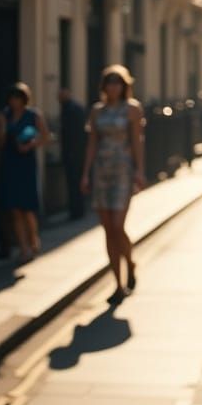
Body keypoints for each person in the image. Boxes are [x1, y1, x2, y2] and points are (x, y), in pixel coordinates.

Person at [80, 65, 146, 306]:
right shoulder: (97, 111)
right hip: (101, 172)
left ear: (125, 85)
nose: (114, 86)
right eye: (110, 82)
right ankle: (118, 284)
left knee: (118, 226)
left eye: (118, 82)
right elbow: (91, 144)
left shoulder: (132, 109)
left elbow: (138, 141)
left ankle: (129, 262)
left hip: (123, 171)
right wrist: (86, 174)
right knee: (108, 229)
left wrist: (139, 171)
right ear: (104, 86)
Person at [0, 82, 50, 264]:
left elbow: (45, 136)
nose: (14, 102)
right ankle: (23, 247)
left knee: (27, 207)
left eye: (17, 98)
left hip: (26, 163)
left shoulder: (34, 115)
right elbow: (0, 142)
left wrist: (31, 144)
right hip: (10, 162)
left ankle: (33, 239)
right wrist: (0, 129)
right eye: (12, 99)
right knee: (14, 208)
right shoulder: (5, 115)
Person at [58, 88, 87, 219]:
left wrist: (73, 152)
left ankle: (77, 210)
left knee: (75, 183)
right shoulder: (70, 109)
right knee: (74, 183)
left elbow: (77, 134)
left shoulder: (73, 110)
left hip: (74, 153)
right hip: (74, 153)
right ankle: (76, 209)